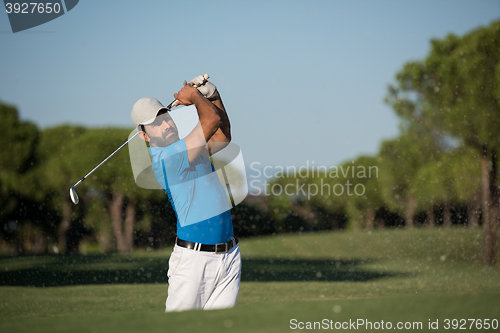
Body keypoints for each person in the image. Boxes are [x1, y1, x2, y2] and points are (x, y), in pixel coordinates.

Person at [130, 75, 241, 312]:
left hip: (229, 256)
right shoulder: (167, 159)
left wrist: (214, 96)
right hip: (194, 262)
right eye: (157, 124)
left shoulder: (190, 149)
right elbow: (210, 119)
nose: (167, 125)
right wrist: (196, 97)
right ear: (144, 135)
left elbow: (223, 135)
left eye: (167, 118)